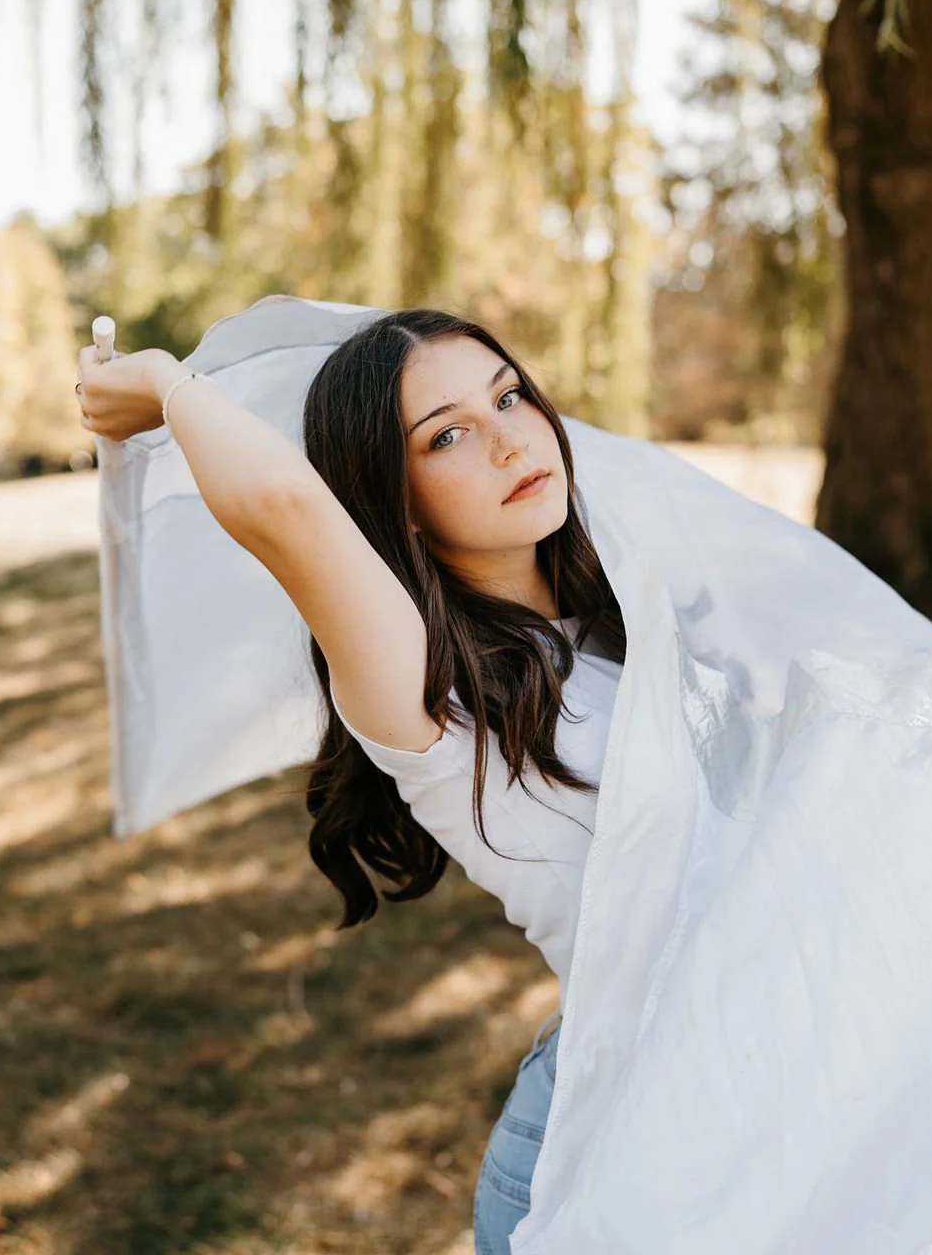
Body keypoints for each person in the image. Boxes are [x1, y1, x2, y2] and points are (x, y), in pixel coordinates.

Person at [76, 305, 629, 1253]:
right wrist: (169, 385)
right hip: (603, 1143)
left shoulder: (633, 615)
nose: (508, 442)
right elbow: (287, 508)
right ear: (393, 495)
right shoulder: (424, 691)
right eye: (447, 434)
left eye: (510, 398)